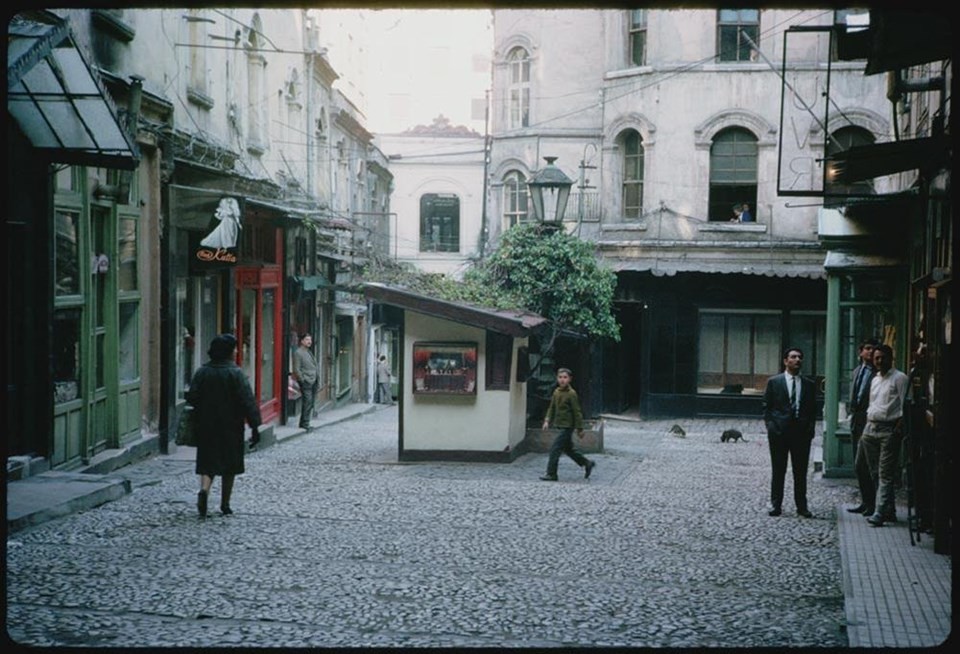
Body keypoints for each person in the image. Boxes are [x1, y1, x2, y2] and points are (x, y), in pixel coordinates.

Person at [185, 333, 261, 518]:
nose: (236, 351)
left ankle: (204, 490)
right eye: (234, 348)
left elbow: (192, 396)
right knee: (230, 465)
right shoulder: (236, 373)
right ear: (228, 352)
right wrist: (255, 426)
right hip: (231, 426)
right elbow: (247, 401)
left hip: (206, 425)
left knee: (207, 462)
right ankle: (225, 504)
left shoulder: (202, 372)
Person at [762, 347, 817, 518]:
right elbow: (767, 406)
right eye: (793, 357)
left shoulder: (809, 384)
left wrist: (809, 428)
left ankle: (802, 506)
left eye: (800, 357)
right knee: (778, 470)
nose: (797, 360)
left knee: (800, 472)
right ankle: (776, 504)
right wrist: (771, 426)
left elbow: (813, 409)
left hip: (801, 433)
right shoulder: (774, 382)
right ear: (785, 361)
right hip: (779, 432)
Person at [861, 344, 910, 527]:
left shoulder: (900, 378)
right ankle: (889, 510)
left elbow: (906, 404)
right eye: (877, 358)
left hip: (888, 429)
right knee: (875, 472)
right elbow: (872, 403)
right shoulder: (875, 379)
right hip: (870, 428)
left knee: (885, 474)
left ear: (891, 358)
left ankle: (879, 513)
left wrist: (899, 427)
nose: (880, 361)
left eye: (883, 358)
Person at [539, 368, 596, 482]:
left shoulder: (571, 394)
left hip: (567, 426)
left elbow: (577, 412)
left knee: (555, 449)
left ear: (569, 379)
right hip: (559, 424)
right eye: (560, 377)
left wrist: (580, 428)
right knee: (569, 449)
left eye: (565, 377)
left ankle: (552, 474)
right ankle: (587, 463)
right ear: (557, 378)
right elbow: (552, 407)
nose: (562, 380)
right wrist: (547, 420)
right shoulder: (556, 392)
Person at [846, 338, 879, 515]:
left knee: (869, 463)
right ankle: (865, 501)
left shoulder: (878, 373)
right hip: (856, 420)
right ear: (860, 352)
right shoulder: (857, 371)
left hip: (870, 420)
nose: (870, 352)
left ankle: (874, 504)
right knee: (858, 465)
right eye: (867, 348)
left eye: (873, 349)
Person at [292, 332, 319, 429]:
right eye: (307, 340)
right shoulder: (298, 352)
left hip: (313, 380)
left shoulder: (308, 351)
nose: (309, 342)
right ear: (302, 341)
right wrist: (302, 380)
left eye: (310, 340)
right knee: (307, 401)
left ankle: (305, 422)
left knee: (310, 402)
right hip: (306, 381)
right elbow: (296, 369)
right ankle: (304, 424)